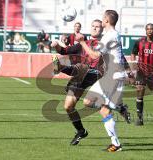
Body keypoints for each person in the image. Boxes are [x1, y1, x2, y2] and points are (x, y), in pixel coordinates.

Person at [51, 19, 131, 147]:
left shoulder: (106, 42)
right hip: (82, 76)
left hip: (99, 76)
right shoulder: (84, 44)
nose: (94, 28)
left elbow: (119, 57)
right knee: (68, 106)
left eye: (98, 27)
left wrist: (128, 71)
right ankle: (81, 131)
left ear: (102, 28)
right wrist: (56, 45)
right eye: (93, 26)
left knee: (96, 106)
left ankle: (117, 115)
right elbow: (64, 51)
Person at [75, 10, 132, 152]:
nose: (101, 20)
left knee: (97, 106)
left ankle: (116, 140)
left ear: (106, 20)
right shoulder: (112, 35)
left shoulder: (109, 36)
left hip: (113, 76)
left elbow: (94, 55)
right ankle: (119, 112)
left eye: (102, 18)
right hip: (111, 75)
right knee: (95, 105)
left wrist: (82, 41)